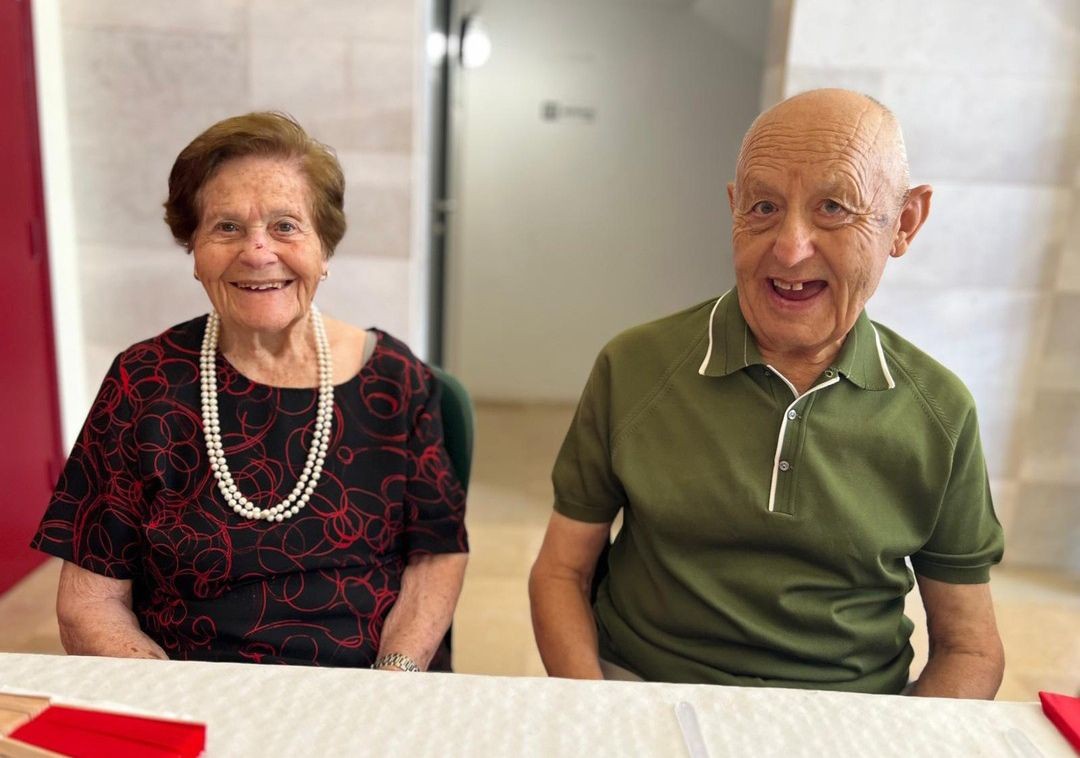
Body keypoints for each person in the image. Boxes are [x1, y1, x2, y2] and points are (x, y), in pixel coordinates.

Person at [529, 89, 1005, 697]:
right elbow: (561, 572)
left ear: (905, 222)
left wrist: (896, 740)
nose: (789, 247)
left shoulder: (940, 411)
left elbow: (970, 646)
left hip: (848, 710)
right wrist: (599, 715)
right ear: (734, 209)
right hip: (642, 688)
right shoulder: (634, 368)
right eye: (764, 207)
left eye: (833, 207)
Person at [32, 112, 468, 672]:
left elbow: (435, 557)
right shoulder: (144, 383)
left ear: (324, 249)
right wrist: (175, 701)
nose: (258, 253)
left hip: (365, 686)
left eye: (286, 226)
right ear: (194, 251)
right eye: (227, 227)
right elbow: (89, 603)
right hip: (188, 687)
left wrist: (393, 679)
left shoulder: (395, 382)